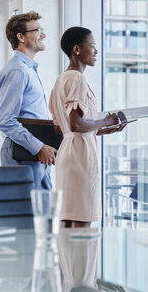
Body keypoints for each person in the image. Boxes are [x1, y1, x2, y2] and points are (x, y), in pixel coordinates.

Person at [48, 27, 125, 228]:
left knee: (67, 218)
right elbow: (76, 124)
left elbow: (61, 128)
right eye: (92, 46)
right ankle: (82, 260)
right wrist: (106, 121)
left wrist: (102, 129)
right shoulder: (77, 79)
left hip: (67, 152)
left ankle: (66, 260)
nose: (96, 52)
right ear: (77, 49)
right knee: (82, 218)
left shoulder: (60, 80)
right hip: (80, 156)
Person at [0, 11, 56, 190]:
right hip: (23, 151)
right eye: (37, 30)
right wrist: (38, 147)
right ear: (21, 37)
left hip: (36, 152)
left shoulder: (28, 70)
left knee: (43, 213)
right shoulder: (17, 71)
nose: (43, 35)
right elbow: (4, 120)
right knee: (25, 214)